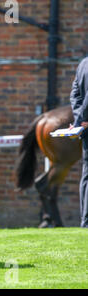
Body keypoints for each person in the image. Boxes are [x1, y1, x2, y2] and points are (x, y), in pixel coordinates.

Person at [69, 56, 88, 228]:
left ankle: (85, 221)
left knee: (86, 175)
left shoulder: (83, 63)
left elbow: (75, 94)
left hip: (85, 128)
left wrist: (78, 121)